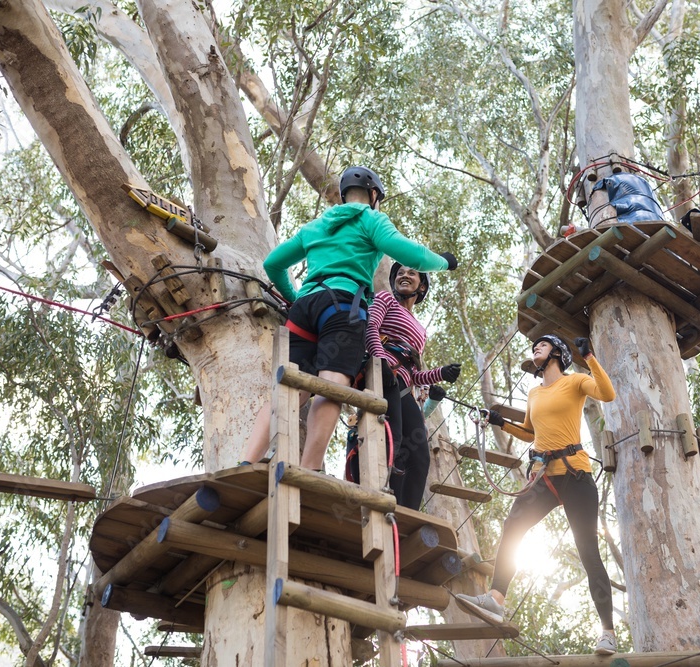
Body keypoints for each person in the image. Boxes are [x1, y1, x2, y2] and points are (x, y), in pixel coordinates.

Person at [239, 166, 456, 471]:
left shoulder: (316, 226)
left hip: (305, 309)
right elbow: (414, 257)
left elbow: (273, 263)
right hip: (344, 308)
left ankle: (246, 460)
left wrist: (295, 297)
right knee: (332, 385)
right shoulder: (371, 219)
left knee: (288, 390)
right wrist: (444, 262)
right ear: (374, 195)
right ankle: (310, 469)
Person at [455, 334, 619, 656]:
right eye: (534, 348)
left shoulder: (576, 382)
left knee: (588, 551)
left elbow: (607, 394)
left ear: (557, 352)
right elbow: (531, 433)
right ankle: (497, 600)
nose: (535, 350)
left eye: (541, 346)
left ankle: (608, 633)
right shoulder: (534, 392)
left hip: (575, 475)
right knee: (512, 528)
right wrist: (501, 423)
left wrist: (590, 358)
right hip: (543, 478)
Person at [346, 262, 461, 509]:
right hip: (380, 372)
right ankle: (382, 498)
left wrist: (441, 373)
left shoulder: (420, 329)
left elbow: (416, 374)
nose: (405, 275)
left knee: (419, 453)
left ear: (422, 286)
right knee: (392, 438)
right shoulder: (386, 299)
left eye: (411, 273)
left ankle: (407, 512)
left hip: (403, 383)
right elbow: (371, 329)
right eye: (400, 273)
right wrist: (381, 361)